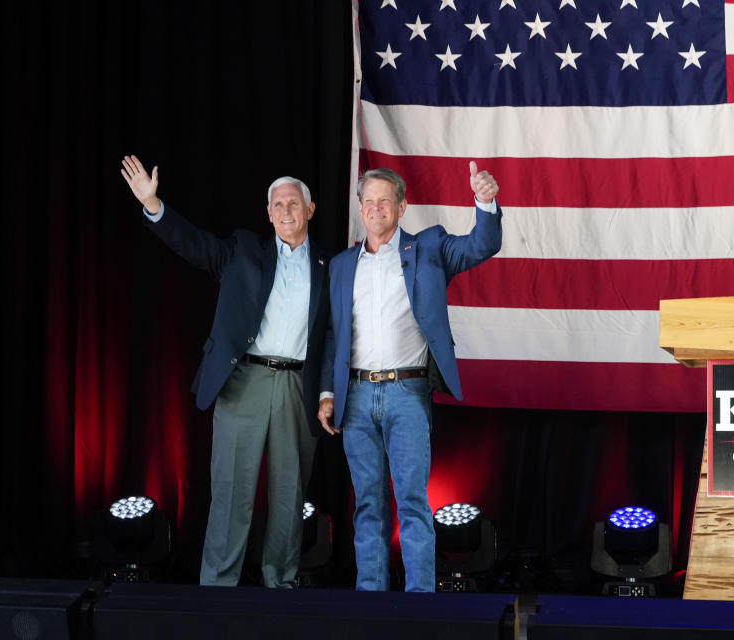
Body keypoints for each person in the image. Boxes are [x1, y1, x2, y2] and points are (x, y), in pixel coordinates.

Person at [120, 155, 332, 588]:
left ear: (310, 210)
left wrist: (328, 391)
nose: (286, 211)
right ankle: (218, 588)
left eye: (293, 203)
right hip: (244, 382)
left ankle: (282, 585)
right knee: (232, 492)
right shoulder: (243, 250)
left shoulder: (333, 267)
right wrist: (154, 205)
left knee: (289, 496)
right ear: (268, 213)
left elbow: (333, 337)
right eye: (277, 205)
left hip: (298, 386)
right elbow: (194, 245)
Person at [318, 162, 502, 592]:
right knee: (367, 505)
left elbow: (482, 245)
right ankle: (371, 600)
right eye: (369, 202)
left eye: (385, 200)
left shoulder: (430, 248)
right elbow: (332, 334)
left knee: (413, 503)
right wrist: (328, 392)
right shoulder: (343, 265)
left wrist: (485, 202)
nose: (376, 208)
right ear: (360, 210)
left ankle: (420, 602)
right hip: (357, 396)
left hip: (407, 391)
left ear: (402, 207)